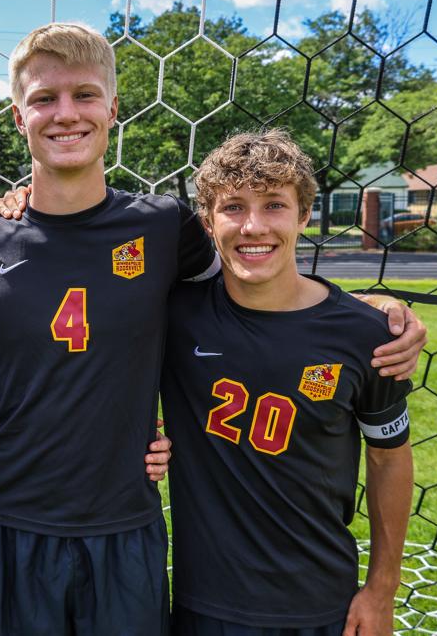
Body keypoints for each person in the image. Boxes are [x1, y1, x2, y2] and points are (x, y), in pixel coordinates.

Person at [0, 24, 423, 635]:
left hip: (127, 528)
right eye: (45, 99)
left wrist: (359, 309)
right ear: (17, 114)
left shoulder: (164, 226)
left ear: (114, 107)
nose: (67, 113)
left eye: (85, 94)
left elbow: (255, 281)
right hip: (14, 528)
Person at [160, 129, 413, 635]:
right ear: (208, 222)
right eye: (233, 207)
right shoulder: (174, 316)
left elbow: (389, 458)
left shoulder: (367, 335)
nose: (253, 227)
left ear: (303, 216)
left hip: (323, 606)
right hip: (204, 606)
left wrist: (382, 589)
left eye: (274, 205)